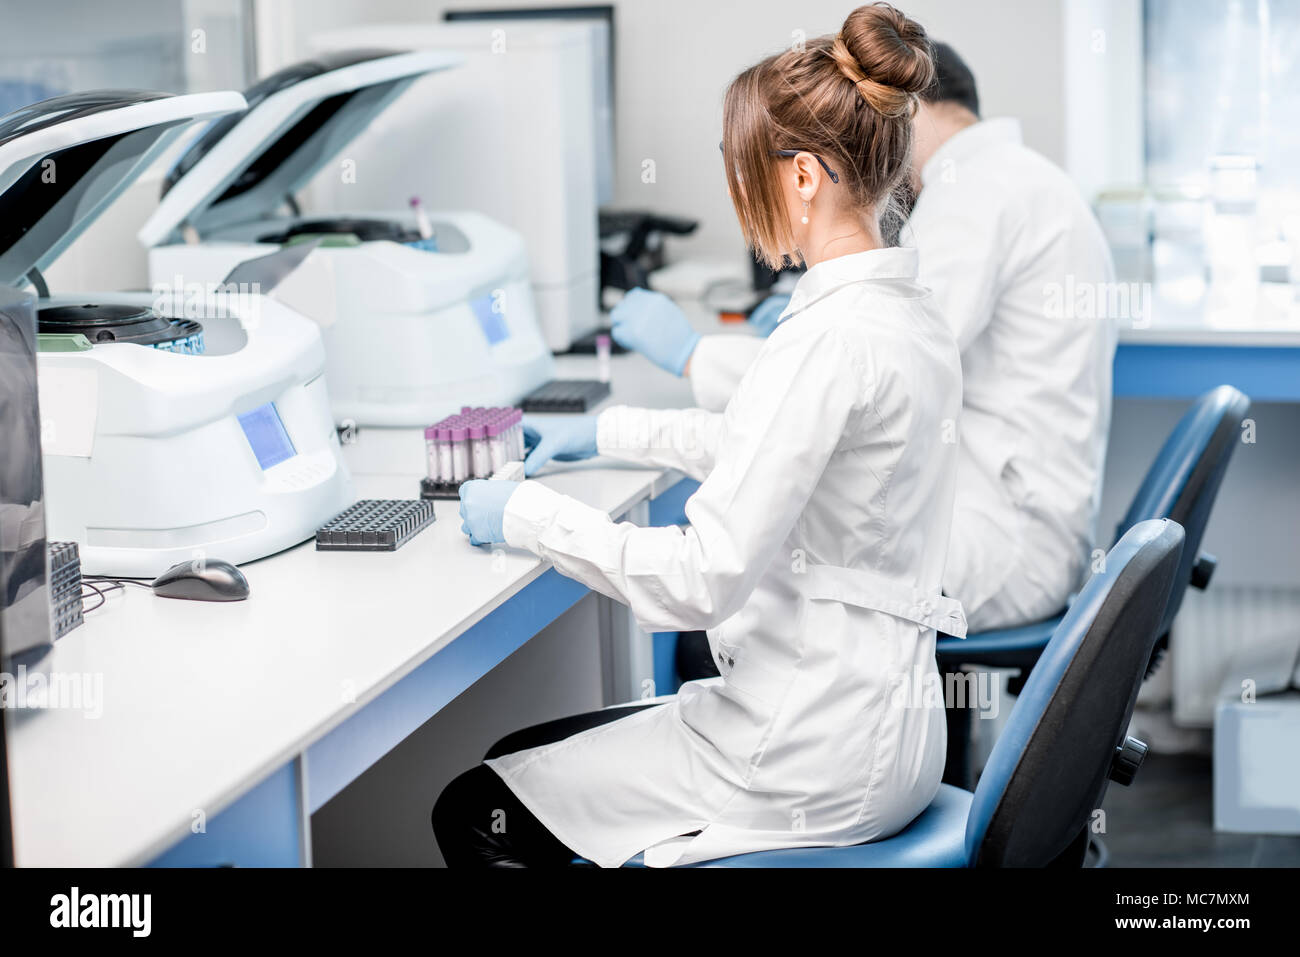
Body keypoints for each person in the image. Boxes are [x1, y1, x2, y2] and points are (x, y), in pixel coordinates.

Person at [434, 3, 965, 868]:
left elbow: (697, 579)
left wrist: (526, 516)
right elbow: (781, 451)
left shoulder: (830, 337)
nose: (741, 199)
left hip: (801, 754)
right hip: (890, 733)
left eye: (747, 175)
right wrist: (610, 429)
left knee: (476, 806)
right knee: (523, 763)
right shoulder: (906, 312)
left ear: (801, 179)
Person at [615, 41, 1117, 634]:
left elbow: (866, 362)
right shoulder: (1023, 178)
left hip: (997, 543)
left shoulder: (976, 192)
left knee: (742, 612)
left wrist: (694, 354)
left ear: (915, 107)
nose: (884, 146)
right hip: (1015, 520)